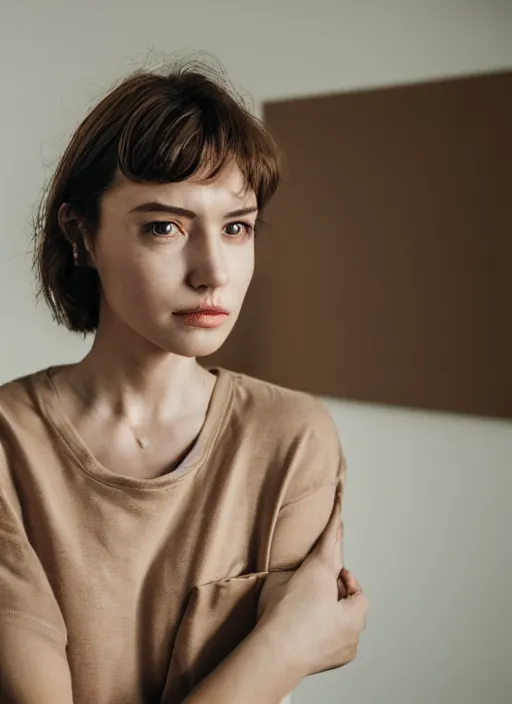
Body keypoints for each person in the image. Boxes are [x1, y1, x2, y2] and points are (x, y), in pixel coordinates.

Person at [0, 60, 368, 704]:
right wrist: (287, 646)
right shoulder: (10, 445)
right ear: (80, 235)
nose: (212, 272)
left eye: (236, 227)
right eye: (164, 226)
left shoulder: (292, 437)